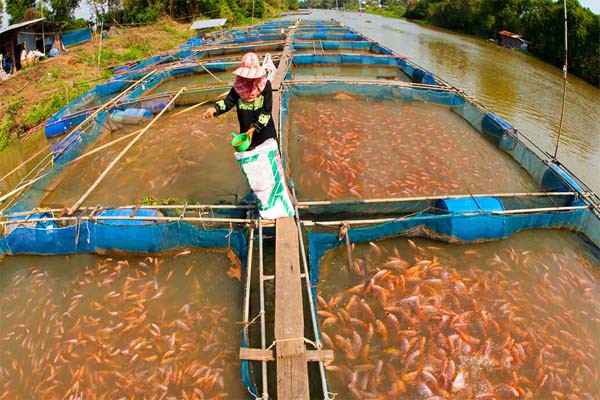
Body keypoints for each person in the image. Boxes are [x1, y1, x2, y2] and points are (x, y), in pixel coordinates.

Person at [203, 52, 277, 151]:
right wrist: (215, 109)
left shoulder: (265, 86)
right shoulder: (238, 88)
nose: (248, 79)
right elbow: (227, 103)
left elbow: (267, 110)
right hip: (246, 136)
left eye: (251, 77)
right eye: (246, 76)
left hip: (265, 132)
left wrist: (254, 128)